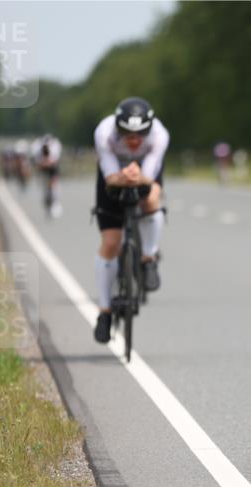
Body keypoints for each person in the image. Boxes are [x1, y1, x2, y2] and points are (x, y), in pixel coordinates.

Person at [92, 97, 170, 344]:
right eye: (127, 135)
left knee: (151, 200)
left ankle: (148, 258)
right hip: (113, 175)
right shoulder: (104, 134)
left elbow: (149, 175)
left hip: (145, 172)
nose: (134, 141)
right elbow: (110, 176)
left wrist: (140, 177)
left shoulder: (159, 135)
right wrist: (120, 177)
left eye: (139, 136)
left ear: (149, 129)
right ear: (117, 129)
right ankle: (104, 312)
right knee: (111, 243)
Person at [31, 133, 63, 217]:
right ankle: (46, 200)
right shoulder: (37, 148)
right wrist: (42, 163)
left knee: (53, 184)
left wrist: (47, 163)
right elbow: (38, 163)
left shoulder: (55, 147)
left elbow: (54, 162)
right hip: (43, 167)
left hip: (52, 167)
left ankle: (55, 200)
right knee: (44, 186)